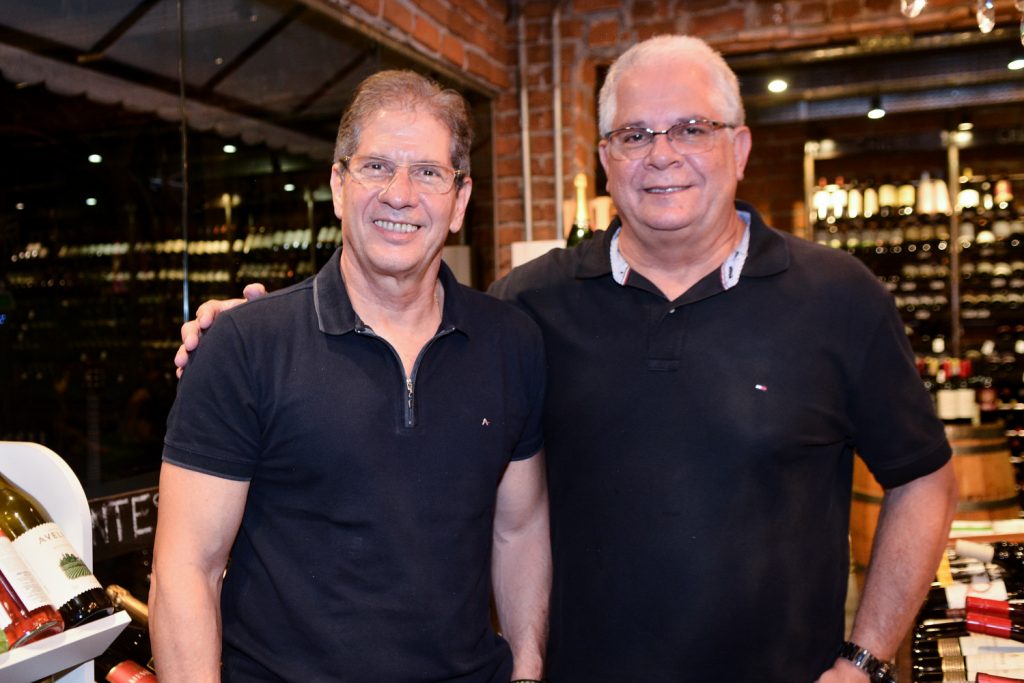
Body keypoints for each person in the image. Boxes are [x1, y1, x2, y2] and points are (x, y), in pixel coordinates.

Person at [176, 36, 958, 682]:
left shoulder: (839, 298)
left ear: (740, 146)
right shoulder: (531, 307)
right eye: (634, 136)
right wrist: (247, 329)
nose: (661, 155)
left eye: (691, 129)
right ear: (605, 159)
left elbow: (924, 478)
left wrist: (864, 659)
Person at [151, 70, 550, 683]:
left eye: (428, 172)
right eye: (376, 167)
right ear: (338, 186)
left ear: (460, 200)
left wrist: (526, 670)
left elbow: (518, 529)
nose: (399, 194)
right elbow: (185, 569)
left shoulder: (511, 342)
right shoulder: (244, 346)